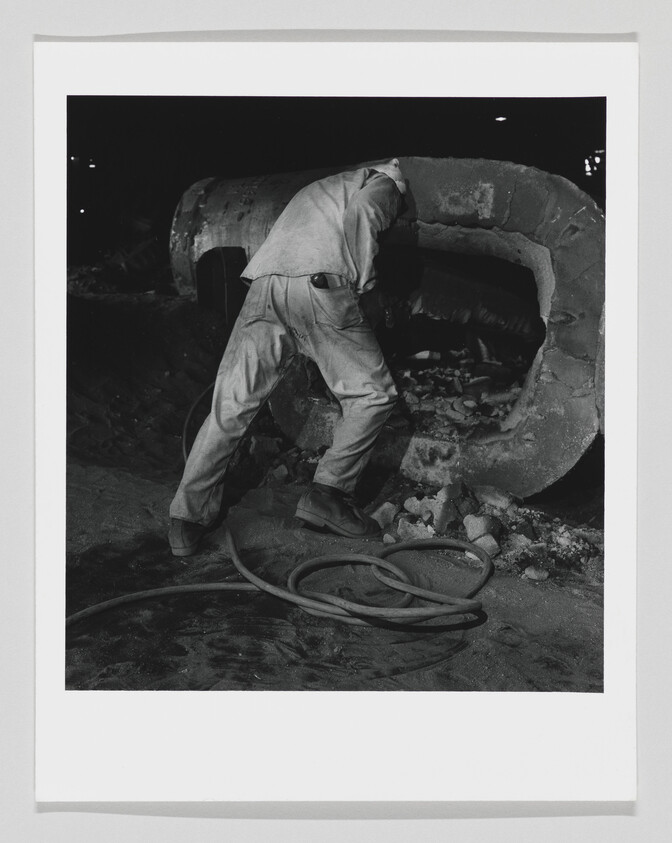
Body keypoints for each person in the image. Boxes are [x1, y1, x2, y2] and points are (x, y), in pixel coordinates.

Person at [169, 158, 407, 556]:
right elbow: (367, 213)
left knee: (231, 405)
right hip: (320, 287)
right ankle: (328, 495)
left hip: (263, 288)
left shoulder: (319, 189)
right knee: (372, 395)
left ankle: (185, 518)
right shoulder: (386, 181)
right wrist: (364, 283)